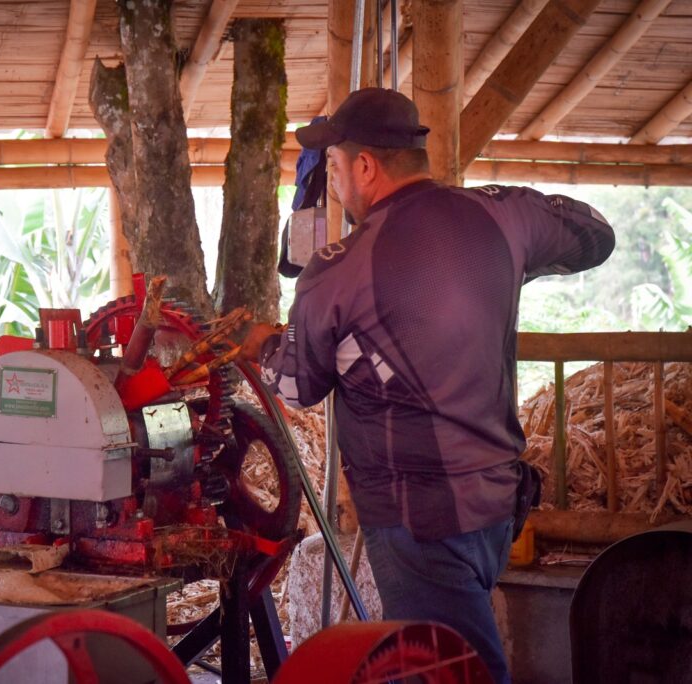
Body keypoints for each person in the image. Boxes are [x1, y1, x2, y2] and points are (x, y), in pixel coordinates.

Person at [242, 88, 615, 683]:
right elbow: (596, 235)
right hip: (498, 502)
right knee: (443, 658)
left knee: (456, 671)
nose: (334, 185)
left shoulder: (337, 268)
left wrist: (259, 342)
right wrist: (512, 262)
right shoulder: (499, 216)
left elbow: (296, 386)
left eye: (335, 169)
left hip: (418, 518)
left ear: (365, 166)